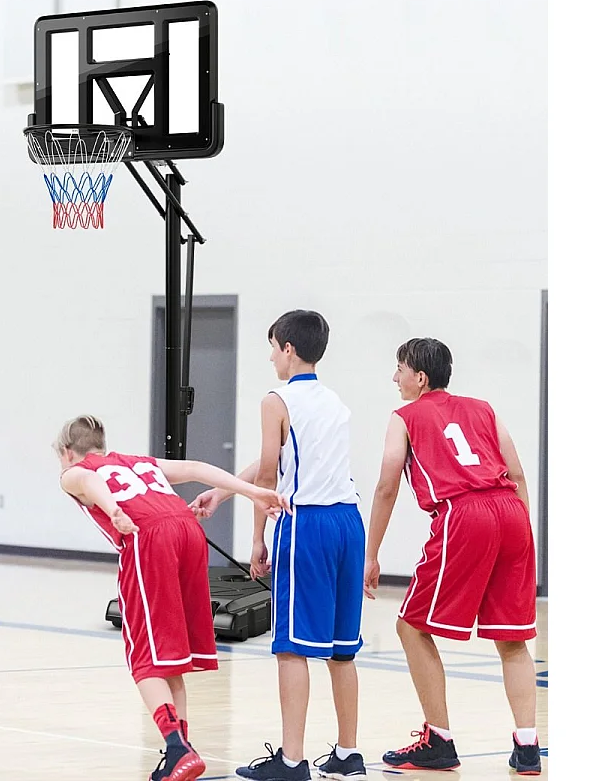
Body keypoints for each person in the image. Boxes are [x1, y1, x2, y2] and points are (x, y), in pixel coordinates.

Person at [56, 415, 290, 781]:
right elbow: (196, 467)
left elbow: (89, 479)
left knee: (144, 657)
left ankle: (177, 747)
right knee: (172, 657)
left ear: (68, 452)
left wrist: (114, 509)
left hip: (148, 537)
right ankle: (180, 752)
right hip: (187, 530)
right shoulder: (137, 462)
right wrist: (251, 492)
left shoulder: (75, 471)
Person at [193, 310, 366, 781]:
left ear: (288, 349)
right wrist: (224, 488)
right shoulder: (334, 401)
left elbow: (269, 477)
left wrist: (255, 540)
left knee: (291, 648)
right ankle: (349, 754)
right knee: (341, 650)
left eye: (273, 346)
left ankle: (292, 761)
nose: (271, 356)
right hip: (348, 523)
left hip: (306, 524)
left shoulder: (276, 399)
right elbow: (279, 459)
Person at [363, 338, 540, 776]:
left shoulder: (404, 416)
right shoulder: (484, 408)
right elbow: (516, 473)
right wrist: (520, 533)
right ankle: (528, 747)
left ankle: (438, 740)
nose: (394, 378)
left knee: (409, 625)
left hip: (465, 513)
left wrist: (371, 555)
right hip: (512, 511)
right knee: (512, 638)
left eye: (399, 369)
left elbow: (387, 486)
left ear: (420, 378)